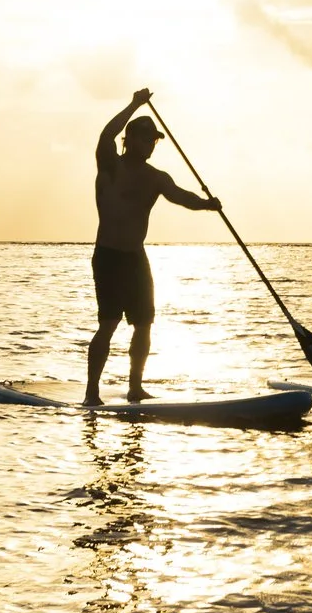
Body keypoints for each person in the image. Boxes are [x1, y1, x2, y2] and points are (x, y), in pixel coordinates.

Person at [86, 88, 222, 405]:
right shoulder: (110, 166)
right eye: (144, 139)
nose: (149, 146)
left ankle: (135, 387)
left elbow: (180, 196)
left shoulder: (156, 177)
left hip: (135, 258)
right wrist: (134, 104)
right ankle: (91, 392)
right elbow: (106, 134)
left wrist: (207, 204)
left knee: (144, 323)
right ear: (129, 139)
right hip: (108, 256)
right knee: (108, 324)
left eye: (152, 141)